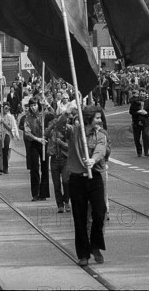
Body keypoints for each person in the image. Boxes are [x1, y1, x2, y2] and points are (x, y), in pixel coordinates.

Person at [64, 106, 107, 267]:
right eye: (97, 118)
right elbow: (59, 127)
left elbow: (101, 149)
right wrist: (66, 112)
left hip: (94, 177)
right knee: (80, 217)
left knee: (99, 211)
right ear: (89, 119)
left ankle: (95, 246)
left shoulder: (101, 135)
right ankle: (83, 254)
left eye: (100, 117)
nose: (100, 120)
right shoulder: (75, 132)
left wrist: (93, 160)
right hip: (77, 180)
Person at [23, 97, 50, 201]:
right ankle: (35, 193)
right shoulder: (28, 118)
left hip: (44, 142)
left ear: (38, 105)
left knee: (45, 167)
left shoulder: (44, 114)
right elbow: (27, 133)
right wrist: (37, 139)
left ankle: (43, 193)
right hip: (34, 142)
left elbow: (54, 115)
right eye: (31, 105)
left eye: (35, 105)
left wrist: (47, 104)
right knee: (34, 168)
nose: (33, 107)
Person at [46, 115, 71, 213]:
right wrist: (52, 125)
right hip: (54, 159)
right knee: (56, 184)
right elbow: (45, 134)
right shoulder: (52, 131)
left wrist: (60, 143)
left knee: (66, 182)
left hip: (65, 159)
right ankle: (60, 205)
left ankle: (66, 201)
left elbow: (70, 147)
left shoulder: (67, 131)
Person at [0, 101, 20, 175]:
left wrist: (4, 122)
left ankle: (5, 168)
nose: (6, 109)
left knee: (6, 151)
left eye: (8, 108)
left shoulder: (10, 116)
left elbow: (10, 128)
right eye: (5, 108)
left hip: (6, 134)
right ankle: (0, 169)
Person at [129, 90, 149, 157]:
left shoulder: (148, 102)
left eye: (143, 94)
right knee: (137, 137)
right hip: (136, 121)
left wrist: (146, 113)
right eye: (141, 94)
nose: (142, 96)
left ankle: (146, 151)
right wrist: (138, 112)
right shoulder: (134, 102)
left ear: (145, 94)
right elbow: (131, 112)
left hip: (145, 121)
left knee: (145, 136)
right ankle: (139, 151)